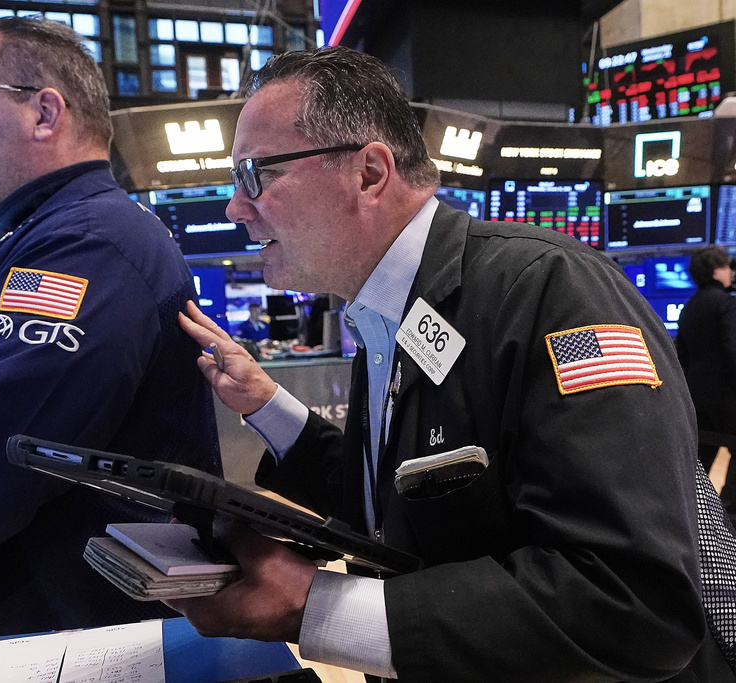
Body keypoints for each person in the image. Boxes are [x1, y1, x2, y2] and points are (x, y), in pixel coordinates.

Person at [170, 47, 733, 680]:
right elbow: (399, 502)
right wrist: (266, 404)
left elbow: (633, 602)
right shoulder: (387, 311)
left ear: (369, 172)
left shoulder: (553, 293)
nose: (234, 209)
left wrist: (315, 608)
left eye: (254, 176)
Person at [0, 17, 221, 639]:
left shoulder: (89, 245)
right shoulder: (44, 239)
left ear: (45, 112)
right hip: (37, 617)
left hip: (64, 629)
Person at [676, 245, 736, 519]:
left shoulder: (689, 308)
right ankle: (726, 519)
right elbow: (732, 350)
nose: (730, 272)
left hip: (696, 398)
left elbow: (682, 357)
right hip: (727, 398)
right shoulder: (726, 303)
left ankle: (694, 518)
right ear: (716, 271)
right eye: (727, 267)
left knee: (696, 467)